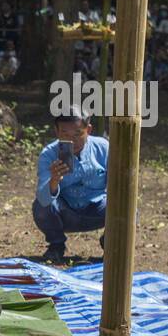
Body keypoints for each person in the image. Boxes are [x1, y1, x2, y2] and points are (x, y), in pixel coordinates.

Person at [32, 104, 108, 263]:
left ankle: (111, 243)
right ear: (56, 132)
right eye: (64, 133)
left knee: (128, 207)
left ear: (89, 130)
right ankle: (56, 245)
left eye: (78, 134)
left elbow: (119, 186)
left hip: (98, 209)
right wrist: (53, 181)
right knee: (41, 205)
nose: (71, 140)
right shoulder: (49, 154)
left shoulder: (103, 148)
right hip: (65, 212)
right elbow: (44, 199)